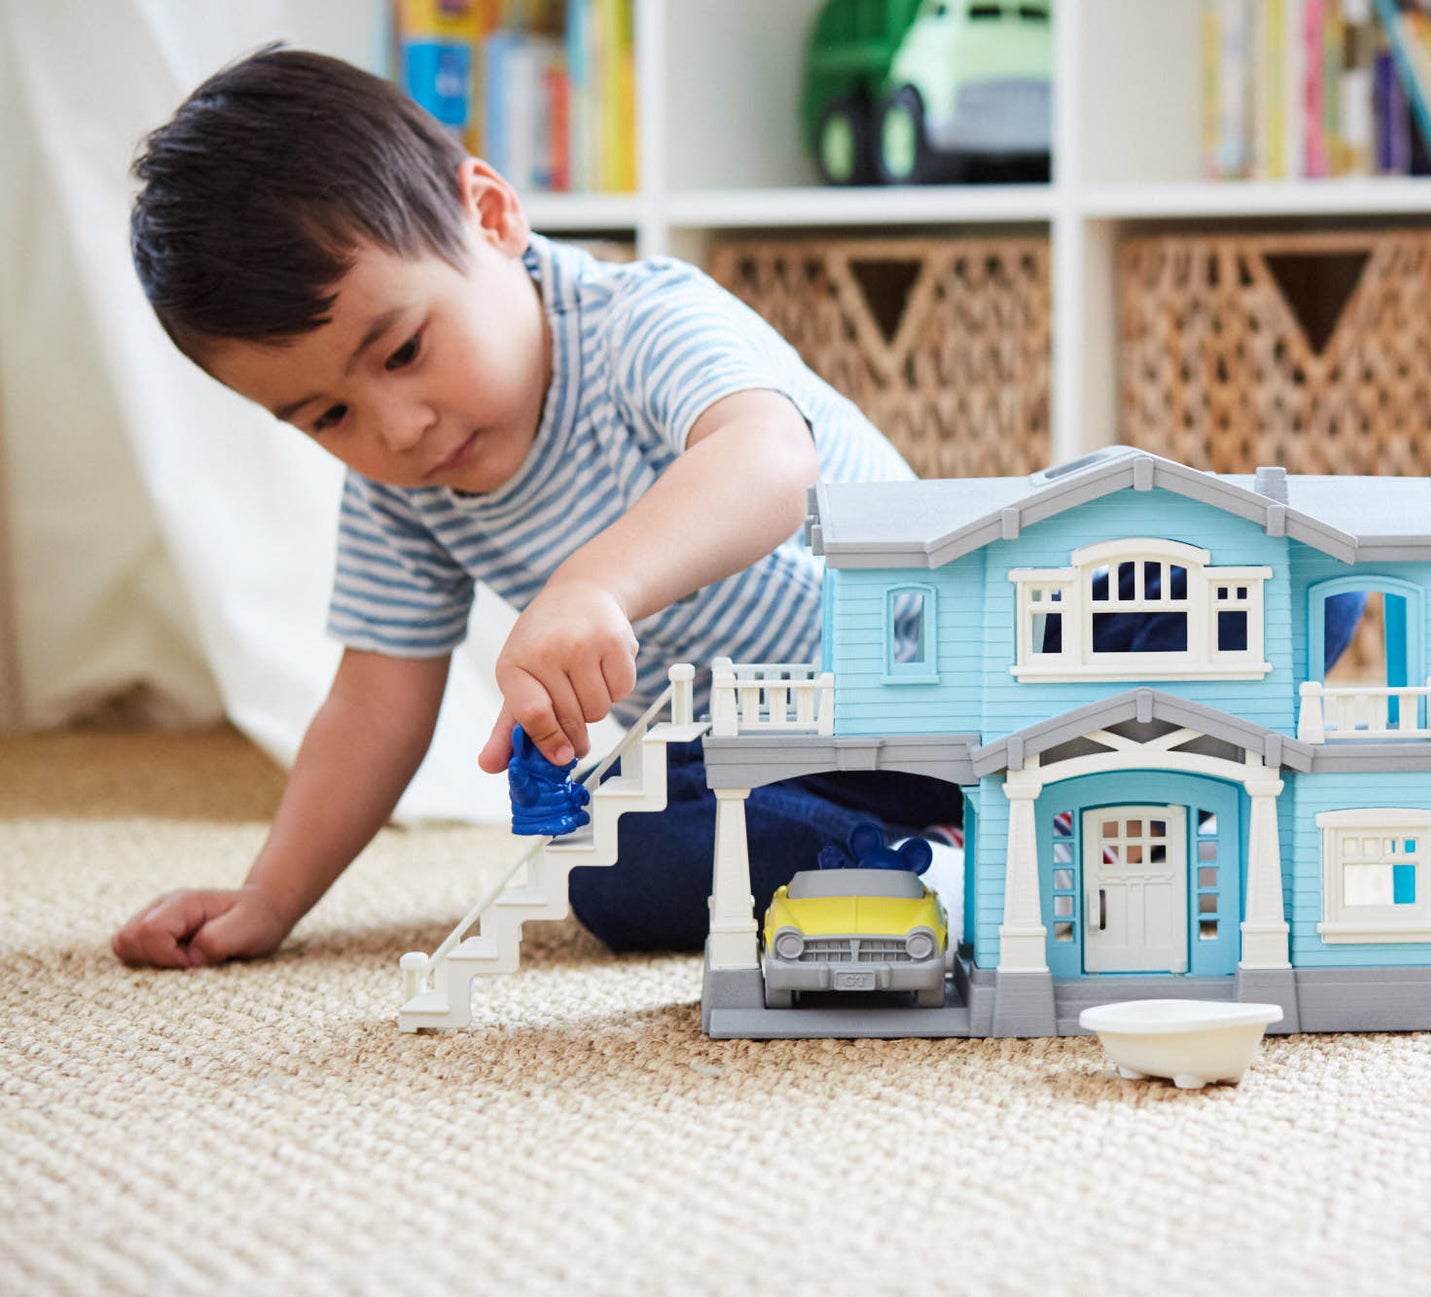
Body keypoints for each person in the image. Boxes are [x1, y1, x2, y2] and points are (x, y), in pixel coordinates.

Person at [111, 47, 959, 968]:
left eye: (402, 352)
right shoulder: (402, 490)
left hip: (944, 687)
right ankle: (918, 867)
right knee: (604, 852)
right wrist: (271, 894)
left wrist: (595, 585)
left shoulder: (640, 321)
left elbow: (771, 460)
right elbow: (372, 703)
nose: (398, 429)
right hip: (779, 758)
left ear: (490, 215)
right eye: (328, 416)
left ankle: (975, 829)